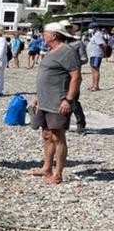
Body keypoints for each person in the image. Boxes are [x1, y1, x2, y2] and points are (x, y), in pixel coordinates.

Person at [25, 22, 81, 185]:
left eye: (45, 32)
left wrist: (68, 99)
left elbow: (76, 77)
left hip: (58, 101)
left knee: (58, 136)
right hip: (45, 100)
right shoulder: (52, 50)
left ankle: (58, 174)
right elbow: (48, 75)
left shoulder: (67, 51)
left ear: (54, 35)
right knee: (47, 135)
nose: (42, 35)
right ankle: (47, 167)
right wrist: (38, 95)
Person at [64, 22, 88, 134]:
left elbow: (84, 59)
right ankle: (64, 123)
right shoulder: (59, 44)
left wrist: (72, 63)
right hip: (61, 76)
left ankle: (80, 123)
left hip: (73, 75)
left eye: (69, 29)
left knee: (73, 100)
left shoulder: (78, 43)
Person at [85, 23, 108, 91]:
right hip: (93, 54)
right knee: (93, 69)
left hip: (96, 54)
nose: (90, 29)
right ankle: (93, 84)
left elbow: (103, 44)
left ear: (96, 28)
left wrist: (104, 53)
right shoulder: (94, 34)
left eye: (91, 28)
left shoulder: (98, 34)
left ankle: (96, 85)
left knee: (95, 69)